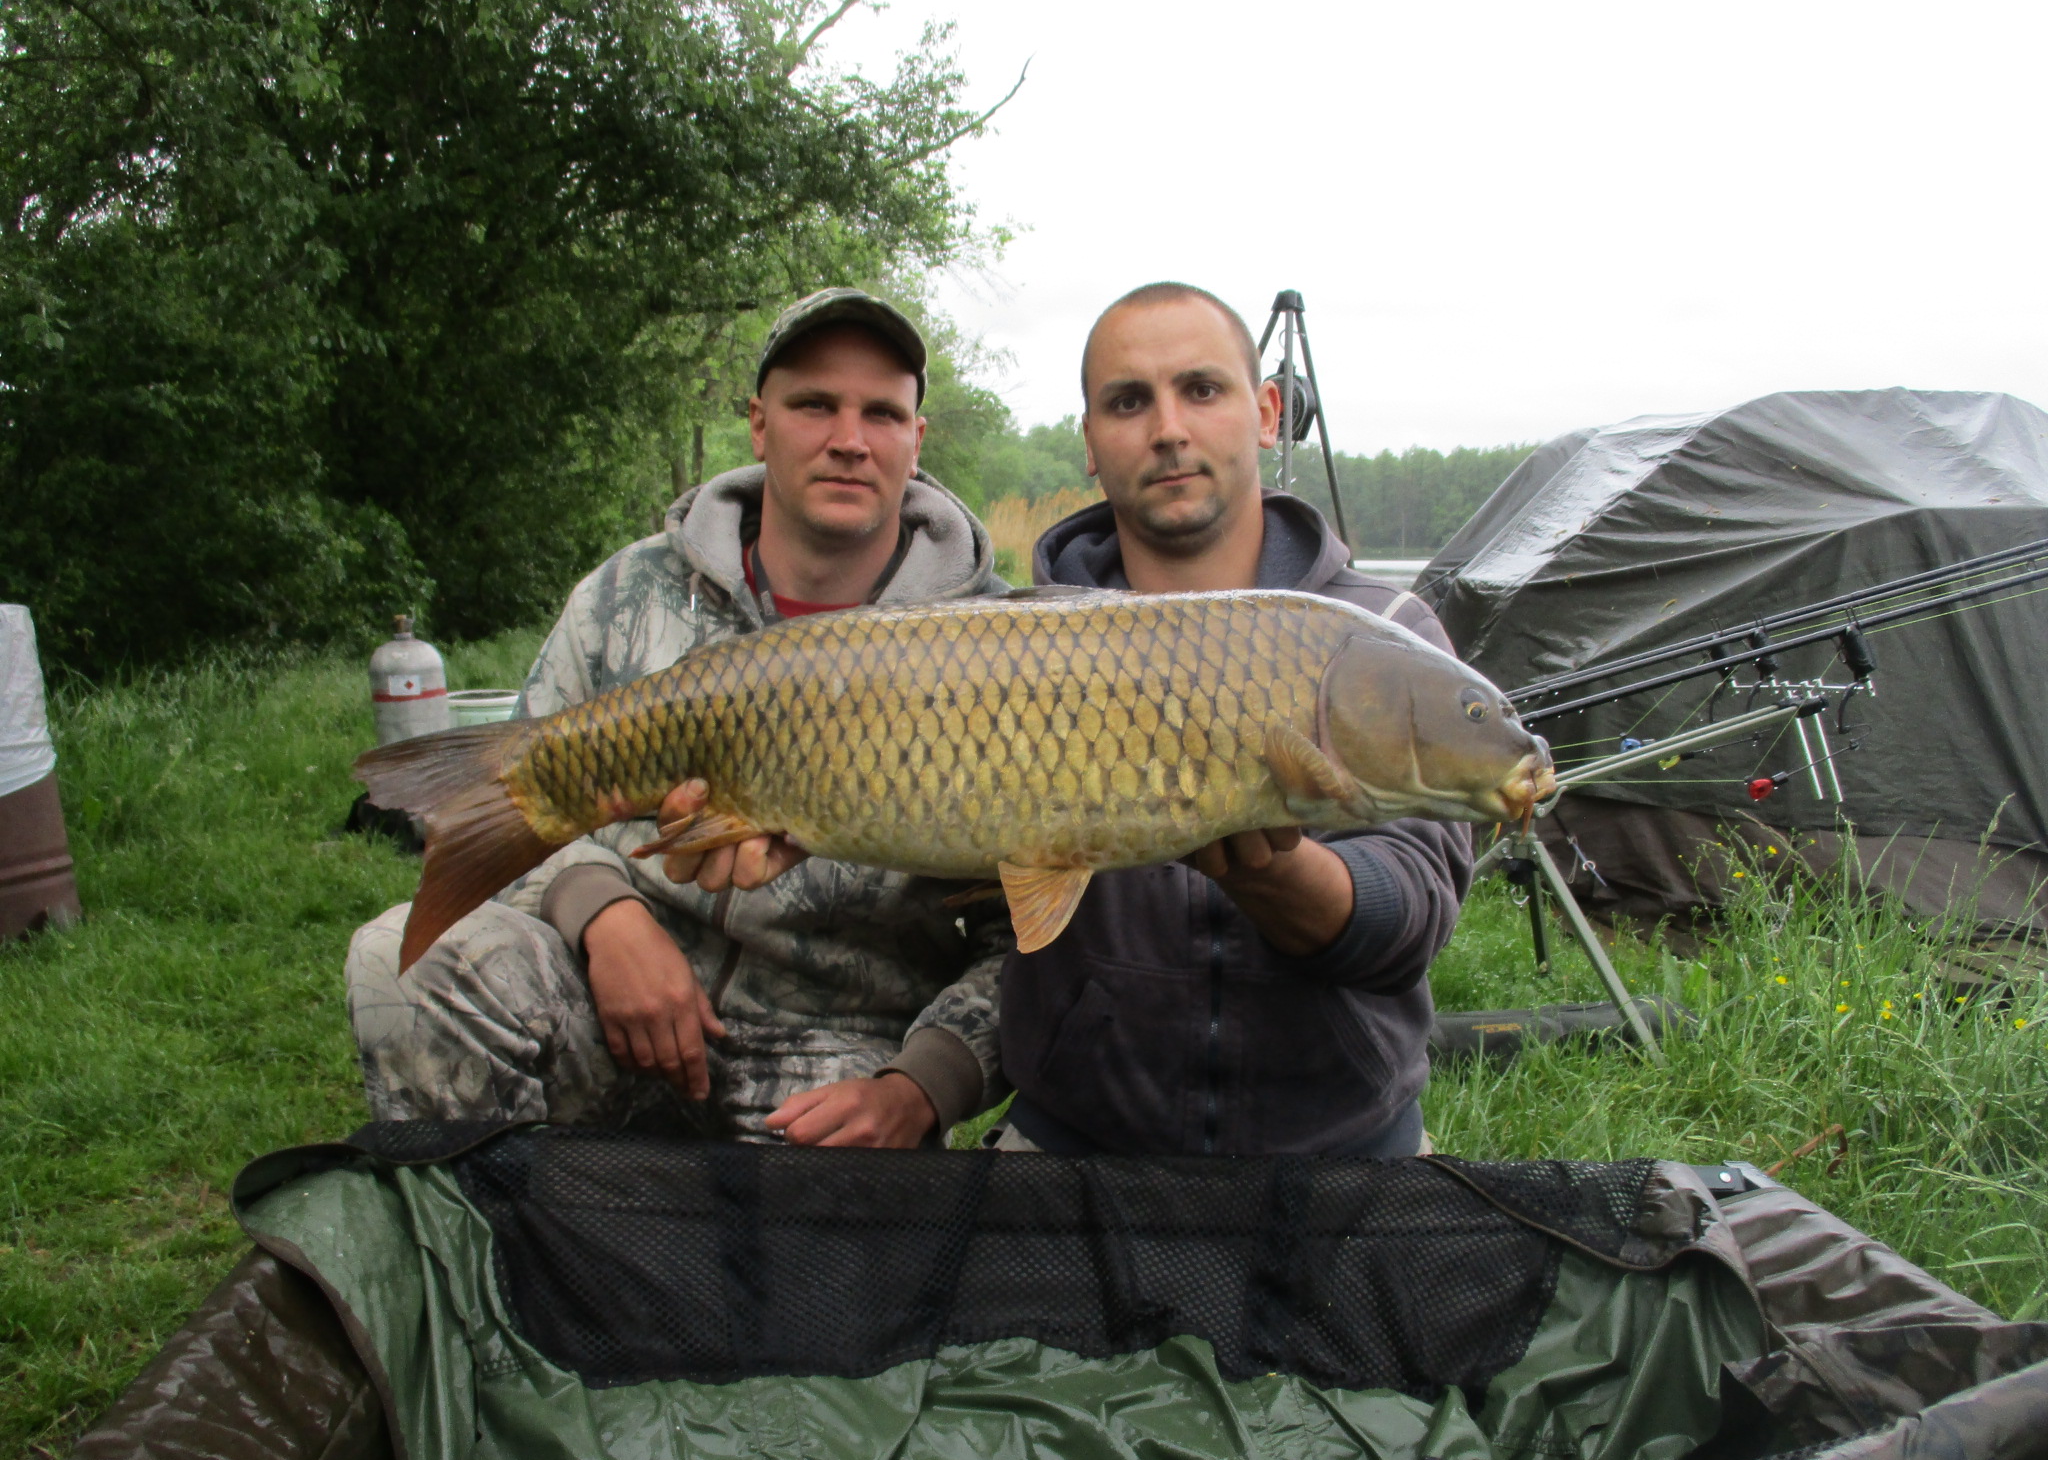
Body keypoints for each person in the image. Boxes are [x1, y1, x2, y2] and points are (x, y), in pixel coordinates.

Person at [346, 289, 1011, 1147]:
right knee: (398, 960)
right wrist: (603, 915)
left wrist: (922, 1086)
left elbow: (1032, 940)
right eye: (814, 405)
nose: (849, 439)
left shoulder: (999, 647)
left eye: (880, 413)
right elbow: (503, 817)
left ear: (916, 440)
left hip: (837, 1049)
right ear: (759, 424)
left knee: (851, 1212)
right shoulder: (627, 593)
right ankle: (500, 1223)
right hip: (611, 995)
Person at [993, 281, 1472, 1156]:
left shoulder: (1385, 638)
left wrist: (1270, 871)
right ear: (1090, 442)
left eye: (1202, 389)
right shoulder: (1010, 646)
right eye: (1128, 402)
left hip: (1345, 1143)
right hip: (1075, 1136)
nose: (1168, 428)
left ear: (1266, 413)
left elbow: (1412, 917)